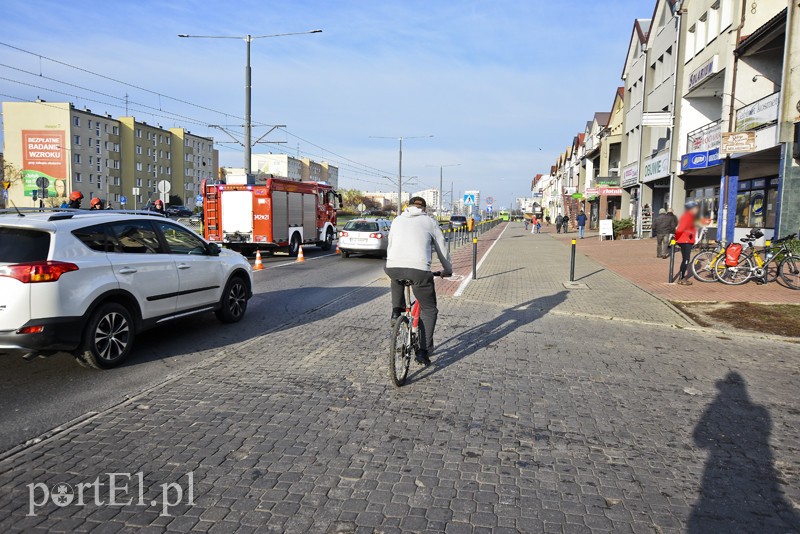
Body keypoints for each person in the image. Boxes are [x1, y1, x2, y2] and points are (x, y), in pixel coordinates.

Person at [385, 197, 453, 366]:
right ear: (424, 209)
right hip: (419, 271)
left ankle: (396, 312)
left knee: (396, 277)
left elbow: (391, 244)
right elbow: (442, 249)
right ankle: (423, 351)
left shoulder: (397, 220)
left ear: (408, 207)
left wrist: (391, 262)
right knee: (429, 310)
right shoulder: (429, 221)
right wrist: (448, 270)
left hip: (393, 266)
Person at [675, 201, 700, 285]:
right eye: (696, 208)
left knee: (686, 259)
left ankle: (681, 277)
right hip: (685, 241)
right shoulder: (687, 217)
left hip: (687, 240)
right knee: (686, 259)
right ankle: (681, 278)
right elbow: (679, 229)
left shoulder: (691, 217)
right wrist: (676, 238)